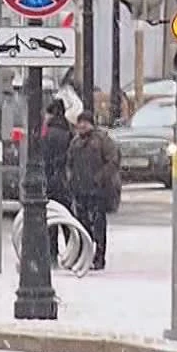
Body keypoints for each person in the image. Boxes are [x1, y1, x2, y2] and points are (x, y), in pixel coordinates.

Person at [64, 111, 121, 271]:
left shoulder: (101, 140)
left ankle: (99, 256)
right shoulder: (75, 143)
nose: (81, 126)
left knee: (98, 224)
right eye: (79, 122)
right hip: (80, 189)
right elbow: (69, 163)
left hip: (98, 190)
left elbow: (113, 161)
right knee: (82, 224)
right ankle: (85, 255)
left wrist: (100, 178)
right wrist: (71, 180)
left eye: (85, 122)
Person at [39, 98, 75, 213]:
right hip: (64, 178)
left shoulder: (48, 132)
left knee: (52, 211)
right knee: (65, 210)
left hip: (51, 176)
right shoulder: (68, 130)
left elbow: (44, 154)